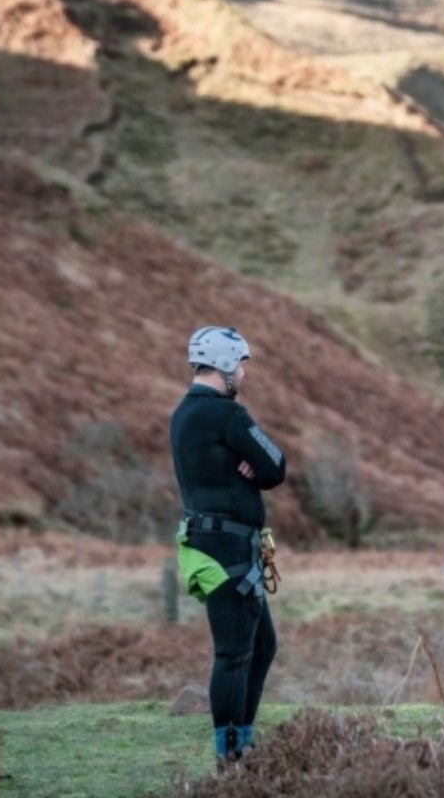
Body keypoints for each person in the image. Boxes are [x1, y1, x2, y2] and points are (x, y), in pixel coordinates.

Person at [170, 326, 286, 768]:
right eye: (240, 364)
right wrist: (252, 472)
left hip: (208, 542)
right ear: (223, 364)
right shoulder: (227, 415)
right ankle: (231, 755)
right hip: (230, 549)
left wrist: (244, 471)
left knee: (260, 647)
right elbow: (275, 465)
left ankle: (243, 743)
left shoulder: (182, 413)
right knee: (235, 653)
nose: (243, 372)